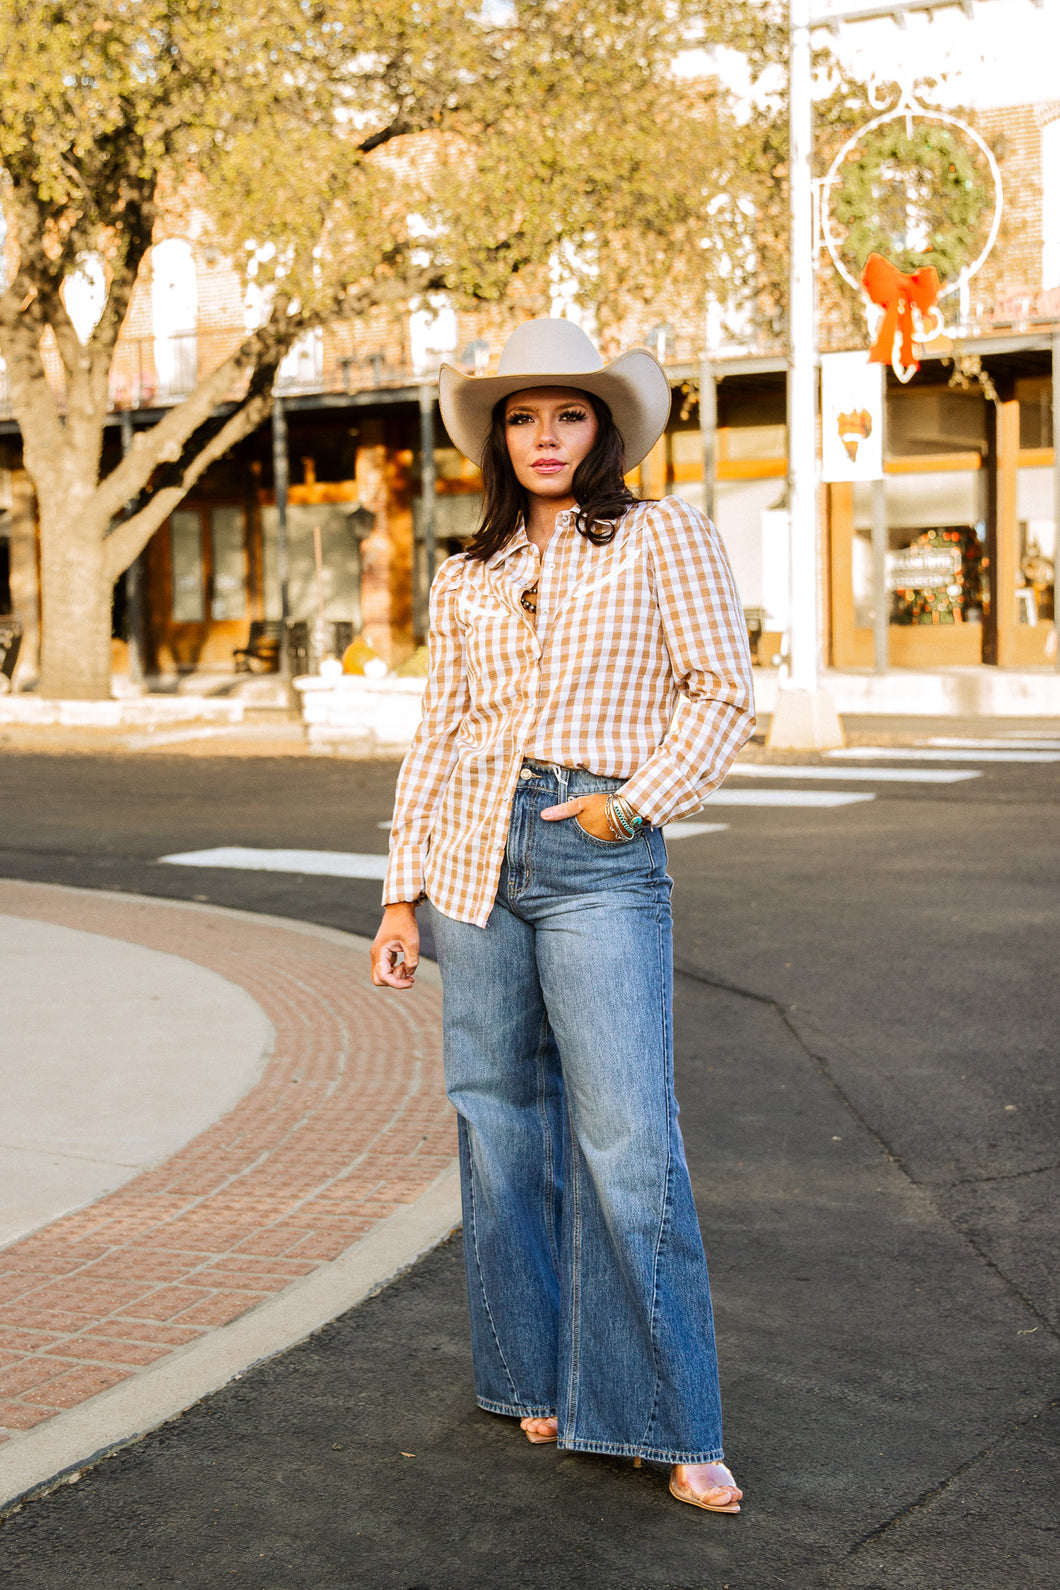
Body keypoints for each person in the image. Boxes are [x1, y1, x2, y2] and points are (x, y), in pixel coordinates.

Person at [371, 317, 754, 1513]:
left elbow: (722, 692)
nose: (545, 437)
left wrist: (627, 810)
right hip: (473, 862)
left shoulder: (660, 537)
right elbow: (440, 734)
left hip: (595, 852)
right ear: (499, 438)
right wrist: (398, 892)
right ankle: (529, 1373)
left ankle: (671, 1417)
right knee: (497, 1123)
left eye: (568, 415)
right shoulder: (467, 571)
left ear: (603, 430)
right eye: (524, 418)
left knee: (629, 1139)